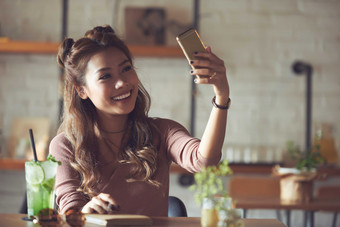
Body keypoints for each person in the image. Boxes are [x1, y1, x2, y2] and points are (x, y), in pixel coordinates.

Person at [50, 25, 230, 216]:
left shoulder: (163, 132)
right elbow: (70, 211)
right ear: (81, 90)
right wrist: (83, 214)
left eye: (126, 69)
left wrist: (222, 96)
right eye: (105, 76)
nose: (122, 82)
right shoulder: (65, 146)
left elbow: (204, 161)